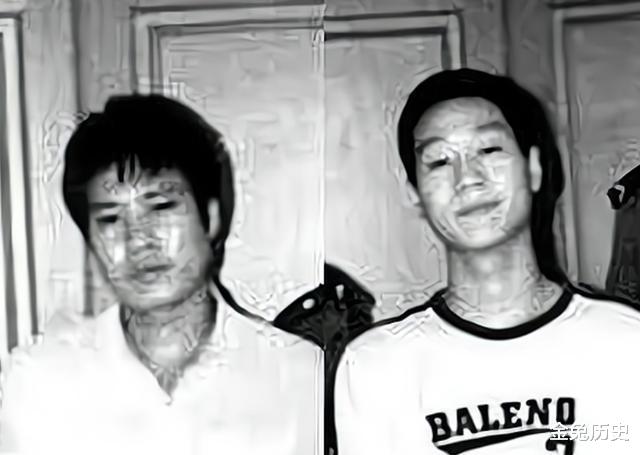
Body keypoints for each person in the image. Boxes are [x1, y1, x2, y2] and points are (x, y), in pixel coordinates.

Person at [334, 68, 640, 455]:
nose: (468, 178)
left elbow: (611, 434)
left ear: (534, 168)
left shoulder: (626, 346)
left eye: (489, 150)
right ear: (414, 193)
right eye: (439, 161)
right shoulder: (377, 367)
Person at [0, 94, 322, 455]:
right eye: (111, 219)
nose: (138, 240)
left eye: (161, 207)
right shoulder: (40, 383)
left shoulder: (298, 375)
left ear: (211, 218)